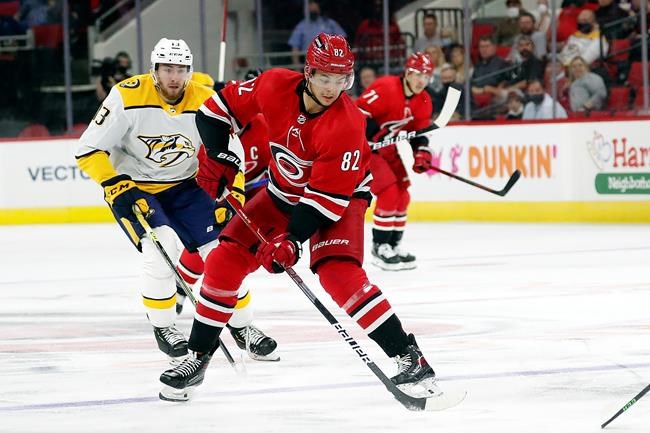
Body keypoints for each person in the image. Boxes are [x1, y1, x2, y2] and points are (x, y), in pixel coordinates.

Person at [158, 33, 439, 402]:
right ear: (308, 72)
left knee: (338, 274)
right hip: (282, 191)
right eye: (324, 77)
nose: (332, 88)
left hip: (340, 199)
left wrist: (291, 240)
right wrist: (218, 155)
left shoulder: (347, 124)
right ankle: (197, 358)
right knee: (224, 261)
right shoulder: (274, 84)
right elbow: (213, 113)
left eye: (340, 79)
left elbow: (323, 202)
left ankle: (409, 356)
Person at [75, 38, 245, 365]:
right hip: (135, 189)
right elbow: (88, 150)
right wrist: (112, 181)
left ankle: (243, 326)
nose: (174, 76)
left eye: (181, 69)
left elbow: (231, 153)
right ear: (154, 70)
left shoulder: (205, 98)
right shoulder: (127, 95)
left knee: (223, 251)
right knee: (161, 247)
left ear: (190, 71)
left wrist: (235, 191)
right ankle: (164, 327)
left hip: (187, 187)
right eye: (167, 69)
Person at [174, 70, 279, 362]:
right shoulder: (209, 124)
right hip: (211, 190)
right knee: (210, 242)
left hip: (251, 189)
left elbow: (276, 165)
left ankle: (240, 324)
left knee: (231, 252)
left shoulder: (264, 126)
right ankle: (182, 285)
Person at [356, 52, 434, 271]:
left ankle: (393, 245)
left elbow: (418, 133)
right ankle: (379, 247)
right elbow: (358, 113)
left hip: (387, 149)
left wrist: (421, 153)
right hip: (366, 150)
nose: (421, 80)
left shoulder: (423, 100)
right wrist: (369, 137)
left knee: (403, 194)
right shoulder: (386, 87)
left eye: (426, 76)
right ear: (407, 72)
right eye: (417, 74)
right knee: (389, 193)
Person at [288, 0, 346, 67]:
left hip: (331, 62)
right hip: (311, 64)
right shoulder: (301, 26)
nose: (312, 7)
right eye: (310, 5)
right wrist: (297, 69)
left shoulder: (329, 23)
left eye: (314, 4)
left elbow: (343, 40)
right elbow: (295, 49)